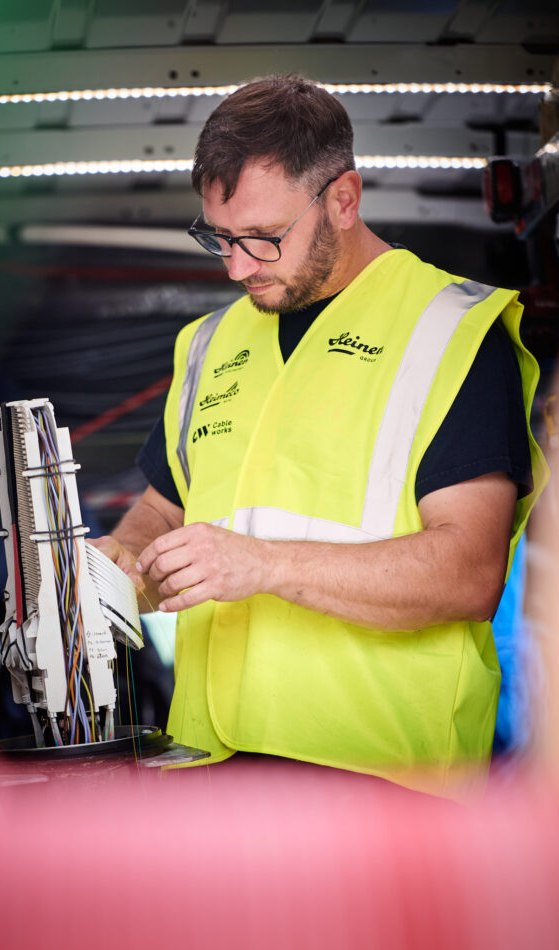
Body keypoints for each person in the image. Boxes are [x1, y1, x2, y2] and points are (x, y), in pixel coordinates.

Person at [91, 74, 547, 797]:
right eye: (218, 237)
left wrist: (264, 566)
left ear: (343, 199)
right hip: (206, 773)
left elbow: (470, 572)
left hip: (385, 790)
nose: (237, 267)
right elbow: (163, 510)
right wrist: (121, 563)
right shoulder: (211, 343)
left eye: (264, 239)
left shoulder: (450, 332)